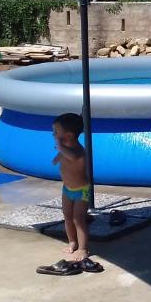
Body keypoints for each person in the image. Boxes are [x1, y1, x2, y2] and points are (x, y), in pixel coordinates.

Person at [37, 113, 104, 276]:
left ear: (68, 135)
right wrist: (58, 154)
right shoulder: (65, 149)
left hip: (82, 190)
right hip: (67, 189)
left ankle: (83, 248)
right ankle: (72, 242)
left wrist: (60, 148)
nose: (53, 134)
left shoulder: (78, 151)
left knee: (78, 219)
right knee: (67, 216)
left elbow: (72, 157)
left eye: (56, 131)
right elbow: (60, 158)